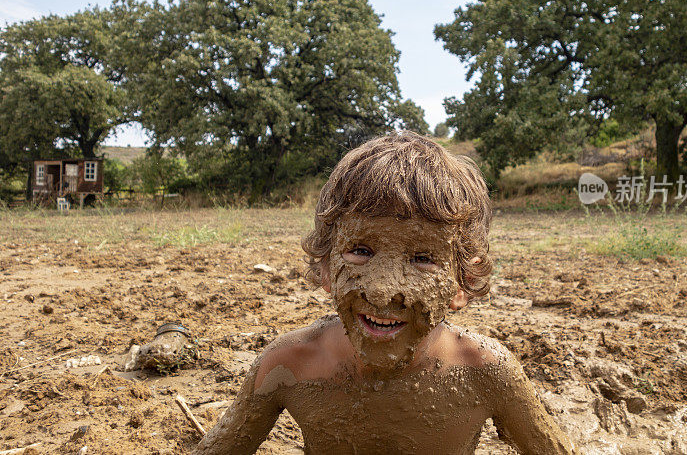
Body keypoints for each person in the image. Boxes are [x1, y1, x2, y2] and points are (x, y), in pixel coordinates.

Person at [194, 132, 577, 454]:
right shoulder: (288, 366)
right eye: (360, 251)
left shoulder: (487, 373)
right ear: (326, 267)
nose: (381, 291)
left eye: (423, 258)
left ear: (460, 284)